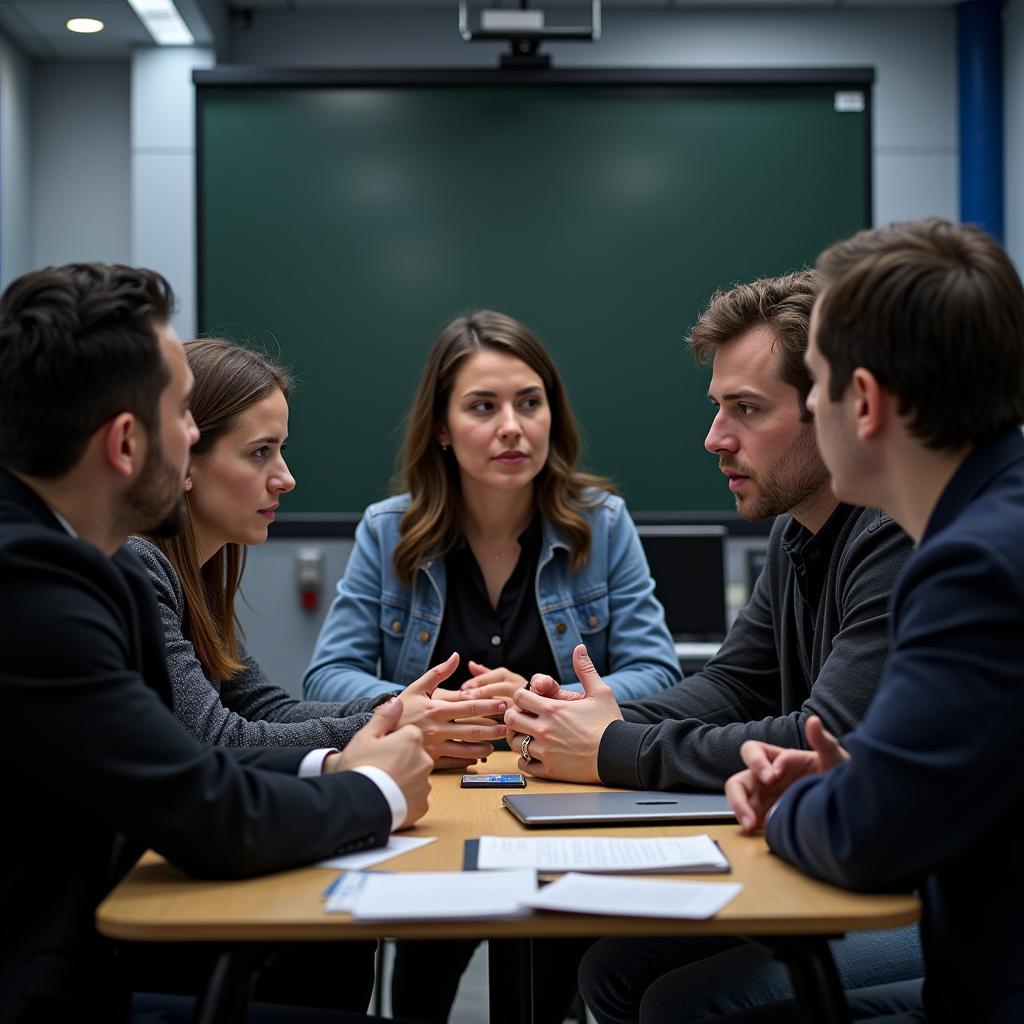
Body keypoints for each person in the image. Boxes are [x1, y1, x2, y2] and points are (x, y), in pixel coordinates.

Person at [0, 263, 434, 1023]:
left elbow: (197, 760)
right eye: (183, 415)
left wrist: (366, 740)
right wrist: (375, 786)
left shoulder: (75, 563)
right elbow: (205, 804)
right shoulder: (34, 589)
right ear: (128, 442)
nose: (195, 433)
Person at [503, 273, 921, 1021]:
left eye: (747, 410)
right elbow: (733, 685)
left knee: (682, 1002)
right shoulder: (800, 529)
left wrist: (613, 748)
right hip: (869, 857)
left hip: (943, 886)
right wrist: (580, 717)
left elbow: (822, 735)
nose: (715, 438)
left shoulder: (895, 533)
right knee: (615, 969)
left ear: (834, 409)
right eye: (718, 407)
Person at [304, 309, 681, 1023]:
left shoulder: (602, 523)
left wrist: (547, 702)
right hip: (434, 806)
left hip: (568, 807)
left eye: (529, 403)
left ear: (551, 416)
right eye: (483, 406)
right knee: (418, 990)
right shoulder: (389, 529)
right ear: (442, 428)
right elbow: (327, 677)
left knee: (554, 987)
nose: (512, 426)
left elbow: (657, 670)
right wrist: (424, 709)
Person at [721, 218, 1024, 1023]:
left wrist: (797, 805)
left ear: (865, 402)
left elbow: (870, 836)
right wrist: (854, 780)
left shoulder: (975, 565)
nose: (812, 408)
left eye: (814, 384)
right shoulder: (994, 520)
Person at [127, 337, 506, 770]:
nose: (286, 479)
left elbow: (266, 710)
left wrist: (400, 706)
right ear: (185, 461)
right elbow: (217, 740)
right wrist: (393, 725)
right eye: (259, 453)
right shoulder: (139, 565)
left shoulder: (195, 578)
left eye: (280, 450)